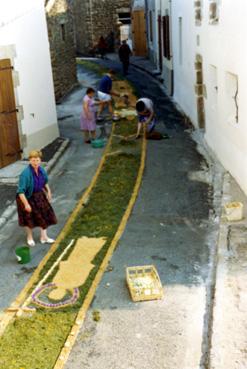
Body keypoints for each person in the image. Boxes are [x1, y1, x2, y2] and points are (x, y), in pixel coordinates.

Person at [16, 150, 57, 247]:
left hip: (39, 195)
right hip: (26, 197)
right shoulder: (25, 174)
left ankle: (44, 237)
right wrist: (26, 204)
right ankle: (29, 237)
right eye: (33, 160)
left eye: (37, 160)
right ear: (29, 160)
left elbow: (45, 182)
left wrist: (49, 192)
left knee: (44, 215)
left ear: (40, 160)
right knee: (28, 218)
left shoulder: (41, 170)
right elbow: (20, 191)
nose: (35, 163)